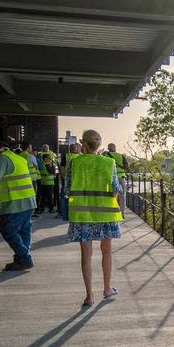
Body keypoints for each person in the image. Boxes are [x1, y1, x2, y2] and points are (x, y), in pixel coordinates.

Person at [67, 130, 123, 305]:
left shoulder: (74, 163)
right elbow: (116, 188)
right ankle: (107, 289)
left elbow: (67, 188)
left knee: (86, 255)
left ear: (83, 143)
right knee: (106, 252)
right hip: (105, 214)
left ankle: (89, 295)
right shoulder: (109, 162)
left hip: (82, 214)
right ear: (99, 144)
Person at [0, 138, 37, 270]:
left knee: (7, 229)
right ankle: (20, 259)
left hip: (14, 203)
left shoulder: (2, 159)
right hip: (28, 201)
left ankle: (25, 258)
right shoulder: (15, 156)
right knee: (24, 230)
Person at [58, 143, 82, 221]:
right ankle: (63, 211)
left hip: (71, 178)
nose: (75, 149)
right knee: (66, 195)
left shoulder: (77, 156)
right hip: (71, 179)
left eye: (75, 148)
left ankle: (66, 211)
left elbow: (61, 167)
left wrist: (62, 176)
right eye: (74, 148)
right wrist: (62, 176)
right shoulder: (75, 156)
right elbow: (61, 167)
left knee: (67, 195)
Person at [37, 144, 59, 214]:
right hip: (50, 178)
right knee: (50, 195)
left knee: (43, 195)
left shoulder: (40, 155)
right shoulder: (53, 154)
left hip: (42, 178)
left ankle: (42, 208)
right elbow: (55, 165)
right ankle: (51, 208)